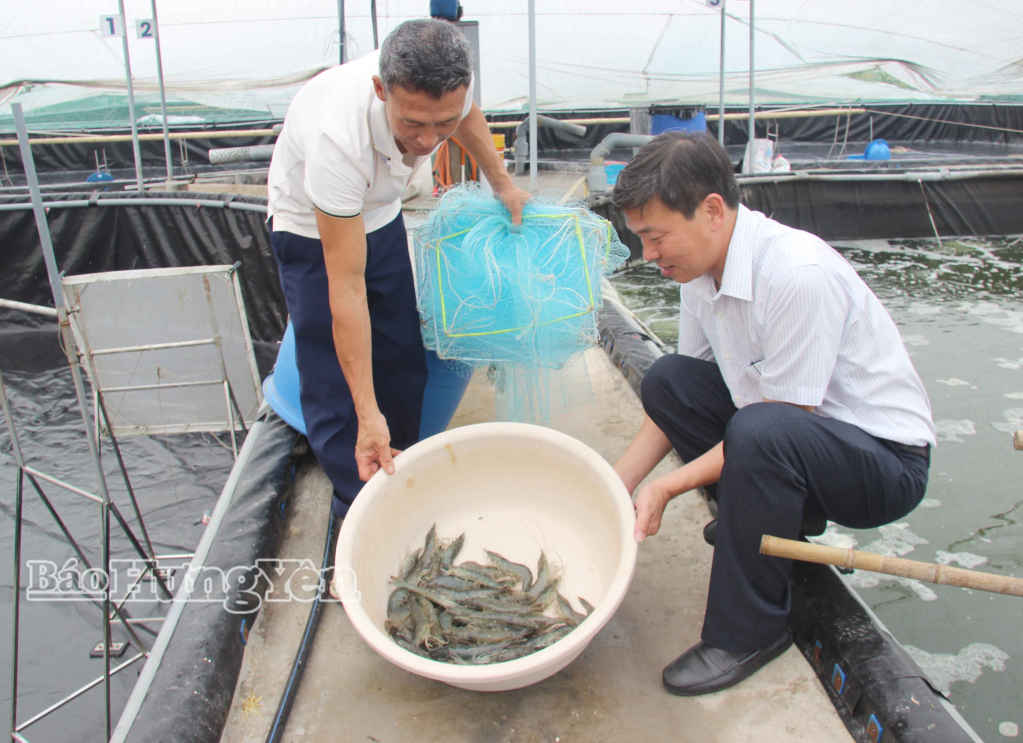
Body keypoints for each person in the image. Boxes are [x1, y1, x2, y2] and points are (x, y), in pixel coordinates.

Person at [611, 131, 935, 696]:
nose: (649, 255)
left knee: (760, 429)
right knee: (669, 380)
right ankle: (781, 515)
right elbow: (684, 397)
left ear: (712, 210)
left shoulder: (795, 273)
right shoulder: (698, 273)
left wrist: (668, 488)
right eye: (641, 239)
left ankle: (748, 632)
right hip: (797, 438)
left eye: (656, 236)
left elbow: (778, 419)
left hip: (883, 463)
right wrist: (618, 482)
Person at [267, 19, 530, 518]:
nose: (430, 140)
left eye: (442, 123)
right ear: (380, 90)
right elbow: (346, 291)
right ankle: (359, 503)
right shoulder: (337, 140)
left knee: (403, 352)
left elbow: (467, 114)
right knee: (333, 377)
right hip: (310, 223)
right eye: (413, 123)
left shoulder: (448, 91)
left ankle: (401, 462)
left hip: (379, 212)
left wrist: (503, 184)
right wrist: (368, 414)